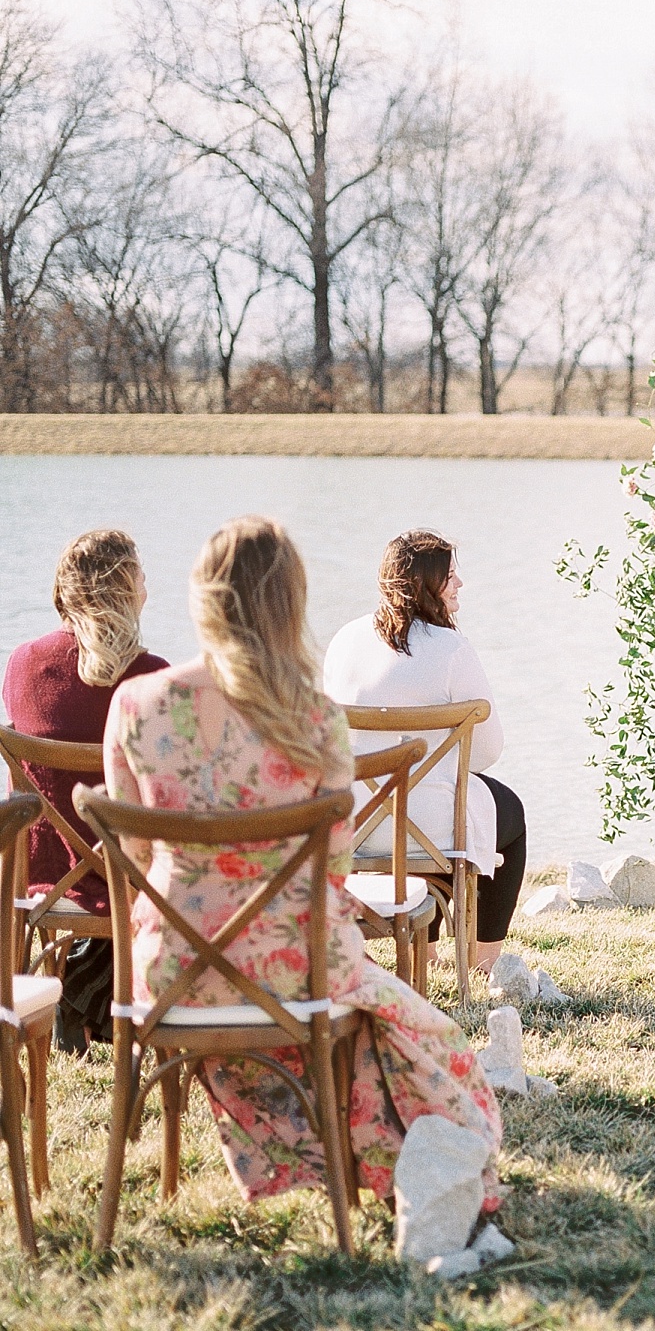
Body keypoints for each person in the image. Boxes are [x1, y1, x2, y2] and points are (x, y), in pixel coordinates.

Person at [102, 516, 500, 1207]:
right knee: (428, 1043)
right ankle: (358, 1156)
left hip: (168, 969)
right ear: (291, 602)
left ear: (201, 598)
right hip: (296, 969)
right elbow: (335, 870)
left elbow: (134, 857)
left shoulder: (136, 705)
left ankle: (275, 1147)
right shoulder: (315, 717)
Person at [322, 530, 526, 976]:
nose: (459, 585)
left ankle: (423, 954)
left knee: (449, 804)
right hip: (436, 829)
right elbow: (488, 751)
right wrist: (439, 763)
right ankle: (483, 962)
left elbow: (331, 740)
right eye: (450, 577)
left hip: (358, 822)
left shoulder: (345, 640)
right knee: (504, 811)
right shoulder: (452, 649)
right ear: (426, 586)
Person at [2, 530, 168, 1054]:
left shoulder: (23, 665)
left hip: (43, 879)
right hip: (128, 880)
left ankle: (81, 980)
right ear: (129, 596)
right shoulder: (152, 679)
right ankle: (95, 987)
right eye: (141, 579)